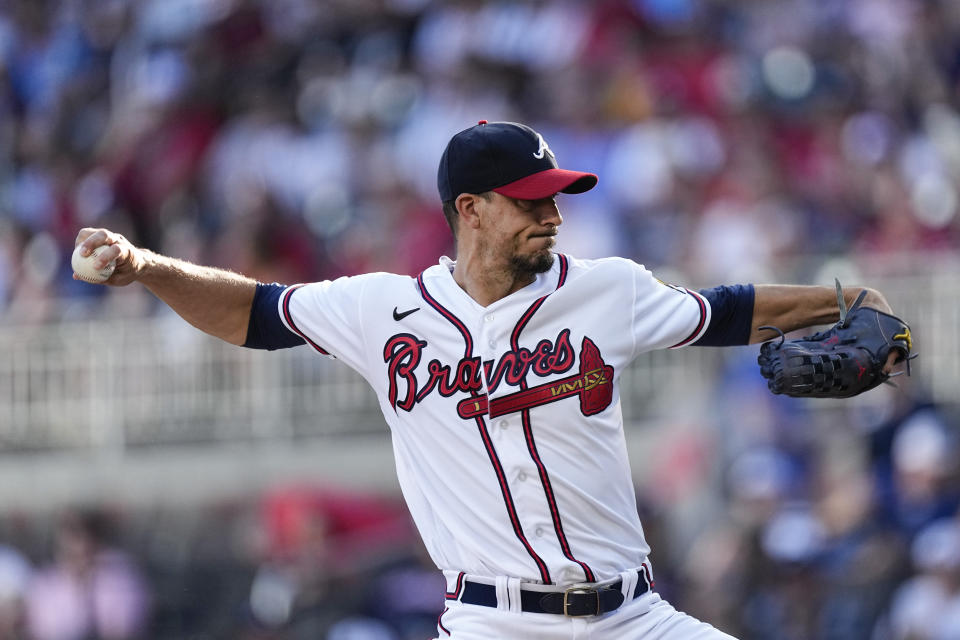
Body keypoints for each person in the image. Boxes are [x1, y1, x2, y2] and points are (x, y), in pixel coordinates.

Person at [74, 120, 907, 639]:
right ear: (471, 210)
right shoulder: (384, 310)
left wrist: (843, 300)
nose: (553, 212)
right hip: (490, 621)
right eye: (531, 200)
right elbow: (254, 313)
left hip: (633, 617)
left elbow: (724, 310)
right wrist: (146, 266)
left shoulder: (604, 289)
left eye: (556, 196)